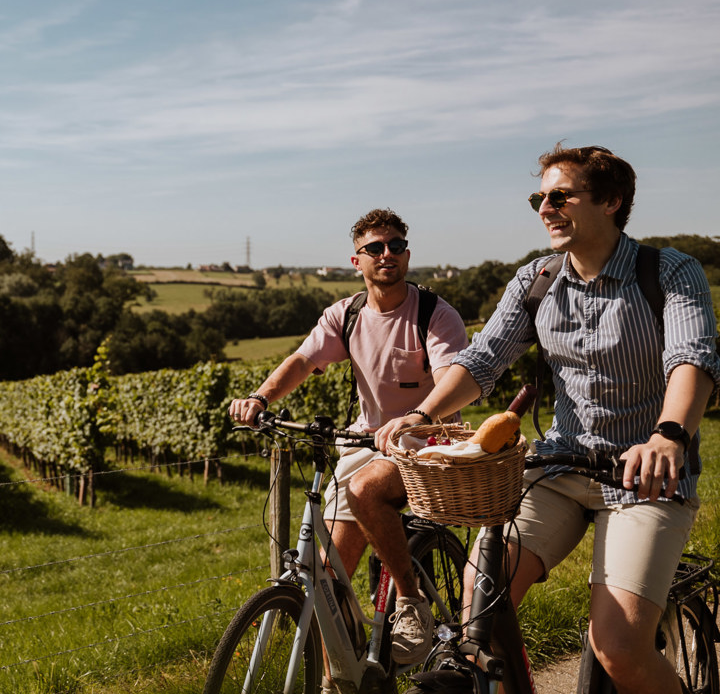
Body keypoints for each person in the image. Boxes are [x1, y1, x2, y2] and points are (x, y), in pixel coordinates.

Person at [376, 145, 720, 694]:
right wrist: (421, 413)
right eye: (540, 197)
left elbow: (692, 358)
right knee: (480, 610)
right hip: (558, 466)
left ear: (611, 201)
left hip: (645, 476)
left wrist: (669, 434)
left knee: (618, 649)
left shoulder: (669, 272)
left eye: (561, 195)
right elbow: (483, 359)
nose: (545, 208)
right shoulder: (536, 279)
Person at [228, 208, 468, 677]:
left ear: (408, 255)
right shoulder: (348, 315)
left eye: (396, 246)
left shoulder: (435, 314)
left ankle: (412, 602)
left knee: (365, 492)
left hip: (427, 444)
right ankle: (350, 674)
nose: (387, 255)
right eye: (374, 248)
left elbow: (451, 382)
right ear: (355, 261)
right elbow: (302, 360)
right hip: (364, 443)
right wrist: (260, 397)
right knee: (327, 575)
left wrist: (414, 420)